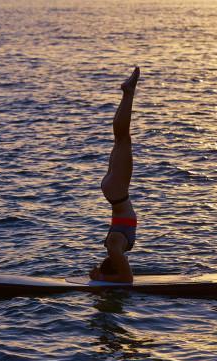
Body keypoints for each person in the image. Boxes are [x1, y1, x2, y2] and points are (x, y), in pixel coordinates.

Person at [89, 67, 140, 283]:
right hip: (116, 193)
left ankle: (128, 93)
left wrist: (101, 277)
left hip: (118, 193)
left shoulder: (114, 247)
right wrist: (101, 275)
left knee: (122, 138)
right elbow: (126, 278)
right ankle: (128, 93)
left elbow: (126, 279)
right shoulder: (114, 246)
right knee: (121, 138)